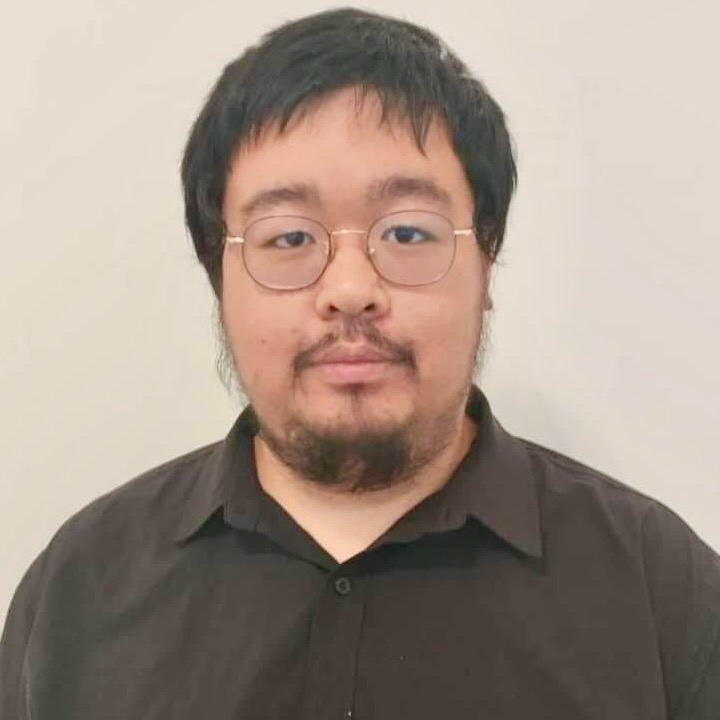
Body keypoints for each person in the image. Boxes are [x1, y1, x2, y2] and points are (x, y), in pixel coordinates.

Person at [1, 7, 718, 719]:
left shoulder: (662, 592)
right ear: (219, 279)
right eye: (288, 238)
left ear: (486, 262)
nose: (350, 291)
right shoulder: (80, 588)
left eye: (407, 231)